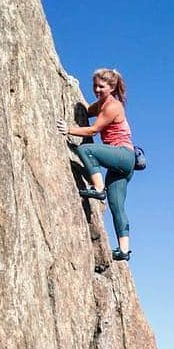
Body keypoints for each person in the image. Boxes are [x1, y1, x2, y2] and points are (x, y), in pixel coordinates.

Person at [57, 68, 135, 262]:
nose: (97, 90)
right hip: (122, 163)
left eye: (101, 86)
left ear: (112, 87)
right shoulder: (101, 105)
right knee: (117, 206)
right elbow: (87, 110)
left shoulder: (113, 106)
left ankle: (98, 188)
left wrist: (69, 129)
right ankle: (124, 251)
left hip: (123, 155)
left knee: (85, 150)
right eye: (95, 86)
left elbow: (93, 129)